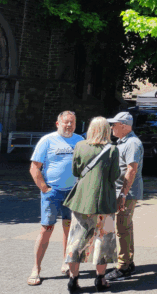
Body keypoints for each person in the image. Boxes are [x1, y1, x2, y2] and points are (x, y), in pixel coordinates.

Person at [63, 117, 120, 292]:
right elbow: (114, 176)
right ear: (106, 131)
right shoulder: (112, 150)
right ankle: (100, 280)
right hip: (104, 200)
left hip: (81, 200)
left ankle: (73, 280)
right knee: (103, 240)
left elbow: (75, 170)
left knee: (76, 240)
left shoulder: (80, 146)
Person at [28, 111, 84, 286]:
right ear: (57, 123)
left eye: (72, 123)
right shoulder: (47, 140)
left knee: (70, 229)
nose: (69, 125)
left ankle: (67, 262)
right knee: (46, 229)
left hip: (73, 193)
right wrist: (45, 188)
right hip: (53, 193)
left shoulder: (80, 141)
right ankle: (36, 268)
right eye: (66, 122)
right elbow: (34, 167)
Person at [104, 112, 144, 282]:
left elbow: (131, 170)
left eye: (114, 124)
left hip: (126, 194)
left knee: (122, 229)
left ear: (124, 126)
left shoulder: (132, 143)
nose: (111, 127)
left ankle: (123, 267)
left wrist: (123, 194)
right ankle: (128, 262)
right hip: (122, 192)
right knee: (124, 228)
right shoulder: (124, 142)